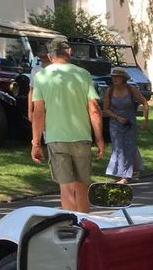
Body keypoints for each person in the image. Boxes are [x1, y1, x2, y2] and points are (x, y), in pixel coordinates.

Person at [30, 37, 104, 213]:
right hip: (82, 137)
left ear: (49, 55)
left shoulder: (42, 76)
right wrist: (99, 138)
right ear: (69, 52)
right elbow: (94, 109)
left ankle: (71, 228)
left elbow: (38, 112)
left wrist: (36, 143)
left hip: (56, 139)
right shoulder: (83, 74)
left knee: (67, 188)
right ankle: (86, 227)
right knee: (82, 188)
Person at [103, 66, 149, 184]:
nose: (114, 79)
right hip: (115, 123)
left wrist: (145, 121)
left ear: (123, 78)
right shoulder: (110, 91)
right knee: (118, 148)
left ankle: (126, 176)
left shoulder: (130, 89)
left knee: (129, 148)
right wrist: (117, 117)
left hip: (130, 124)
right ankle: (119, 174)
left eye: (117, 77)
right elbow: (106, 110)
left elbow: (144, 103)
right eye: (113, 77)